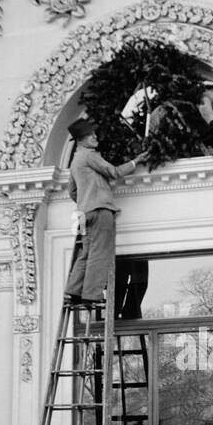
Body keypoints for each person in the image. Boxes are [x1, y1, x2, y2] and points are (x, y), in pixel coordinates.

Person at [64, 117, 146, 306]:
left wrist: (86, 200)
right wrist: (136, 162)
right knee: (100, 253)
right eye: (90, 135)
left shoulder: (76, 160)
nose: (94, 137)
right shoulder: (90, 155)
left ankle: (73, 291)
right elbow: (114, 172)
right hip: (100, 211)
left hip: (84, 213)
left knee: (86, 253)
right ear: (81, 140)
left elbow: (72, 190)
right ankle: (91, 295)